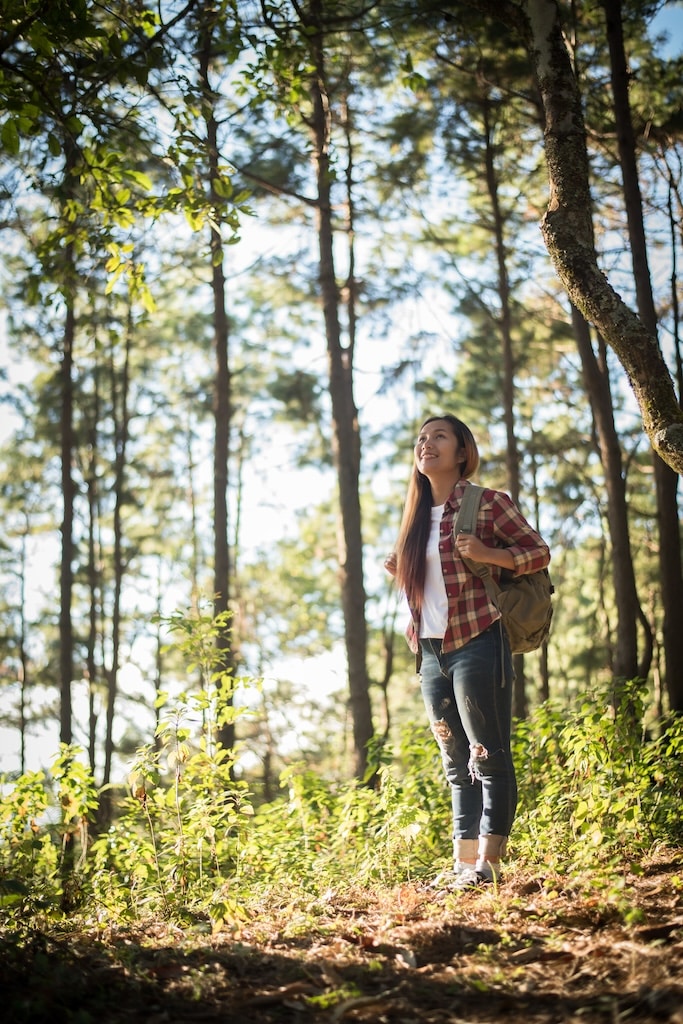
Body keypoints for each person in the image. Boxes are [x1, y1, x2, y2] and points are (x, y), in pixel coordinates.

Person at [384, 414, 550, 890]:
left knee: (488, 754)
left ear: (462, 452)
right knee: (456, 764)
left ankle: (489, 866)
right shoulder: (413, 516)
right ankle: (463, 865)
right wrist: (399, 571)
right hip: (431, 652)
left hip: (480, 638)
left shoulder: (487, 503)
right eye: (421, 437)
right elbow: (427, 589)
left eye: (438, 436)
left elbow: (538, 552)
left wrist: (489, 554)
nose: (426, 443)